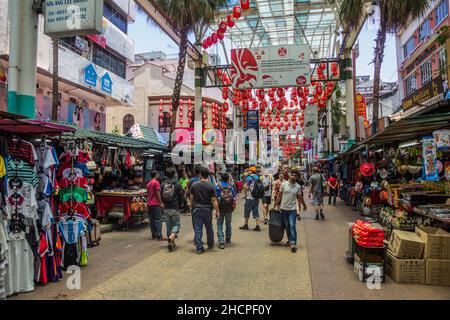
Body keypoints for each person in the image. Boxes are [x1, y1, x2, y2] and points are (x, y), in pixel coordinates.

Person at [189, 167, 220, 254]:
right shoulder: (211, 186)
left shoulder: (194, 185)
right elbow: (214, 200)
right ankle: (210, 244)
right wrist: (217, 211)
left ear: (200, 175)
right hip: (207, 210)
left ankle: (199, 247)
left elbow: (191, 197)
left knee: (198, 229)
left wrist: (191, 207)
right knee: (209, 227)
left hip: (197, 210)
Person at [276, 171, 304, 253]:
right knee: (287, 226)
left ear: (297, 177)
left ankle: (293, 244)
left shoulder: (298, 187)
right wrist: (275, 204)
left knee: (292, 225)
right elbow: (279, 195)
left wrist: (304, 205)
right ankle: (289, 239)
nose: (293, 176)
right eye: (292, 175)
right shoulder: (284, 184)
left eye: (295, 175)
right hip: (283, 209)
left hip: (292, 209)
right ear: (289, 175)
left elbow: (300, 197)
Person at [160, 168, 184, 252]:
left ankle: (170, 241)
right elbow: (181, 196)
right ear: (174, 174)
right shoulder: (177, 184)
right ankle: (172, 236)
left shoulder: (163, 184)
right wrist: (180, 205)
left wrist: (163, 203)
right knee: (176, 224)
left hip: (166, 208)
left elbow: (161, 196)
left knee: (168, 226)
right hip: (175, 207)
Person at [215, 172, 237, 249]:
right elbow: (234, 198)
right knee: (228, 224)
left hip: (220, 208)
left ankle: (221, 242)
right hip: (229, 209)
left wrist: (216, 209)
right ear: (228, 179)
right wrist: (233, 206)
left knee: (219, 224)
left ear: (220, 178)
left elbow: (214, 198)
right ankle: (228, 238)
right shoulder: (231, 187)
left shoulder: (217, 187)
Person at [240, 167, 262, 232]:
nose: (248, 171)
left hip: (250, 197)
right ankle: (257, 226)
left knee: (247, 211)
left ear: (251, 171)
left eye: (249, 170)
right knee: (256, 211)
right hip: (256, 198)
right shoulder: (258, 177)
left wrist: (244, 188)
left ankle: (246, 225)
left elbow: (246, 188)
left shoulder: (249, 178)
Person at [147, 171, 164, 240]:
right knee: (158, 219)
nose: (158, 175)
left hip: (150, 203)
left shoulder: (149, 183)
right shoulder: (156, 182)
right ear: (156, 175)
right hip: (155, 203)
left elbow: (148, 193)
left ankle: (153, 234)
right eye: (158, 174)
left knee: (152, 219)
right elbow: (158, 193)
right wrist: (161, 202)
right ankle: (159, 235)